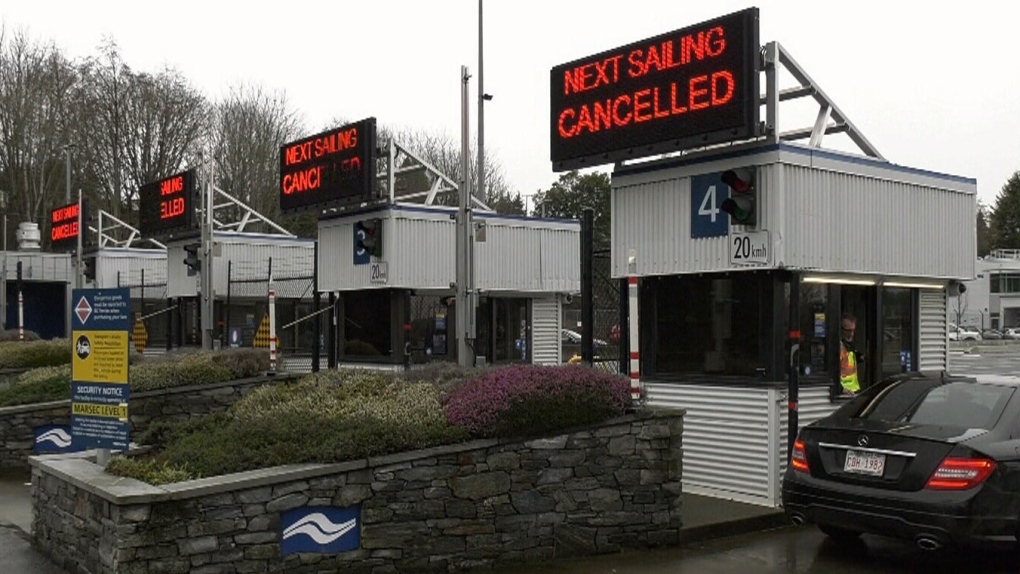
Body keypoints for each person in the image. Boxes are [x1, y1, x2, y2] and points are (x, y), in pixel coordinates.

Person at [839, 313, 863, 396]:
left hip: (852, 391)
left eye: (853, 330)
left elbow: (847, 363)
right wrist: (840, 389)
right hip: (844, 393)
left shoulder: (849, 345)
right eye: (848, 331)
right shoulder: (838, 347)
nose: (852, 334)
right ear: (841, 329)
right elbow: (832, 373)